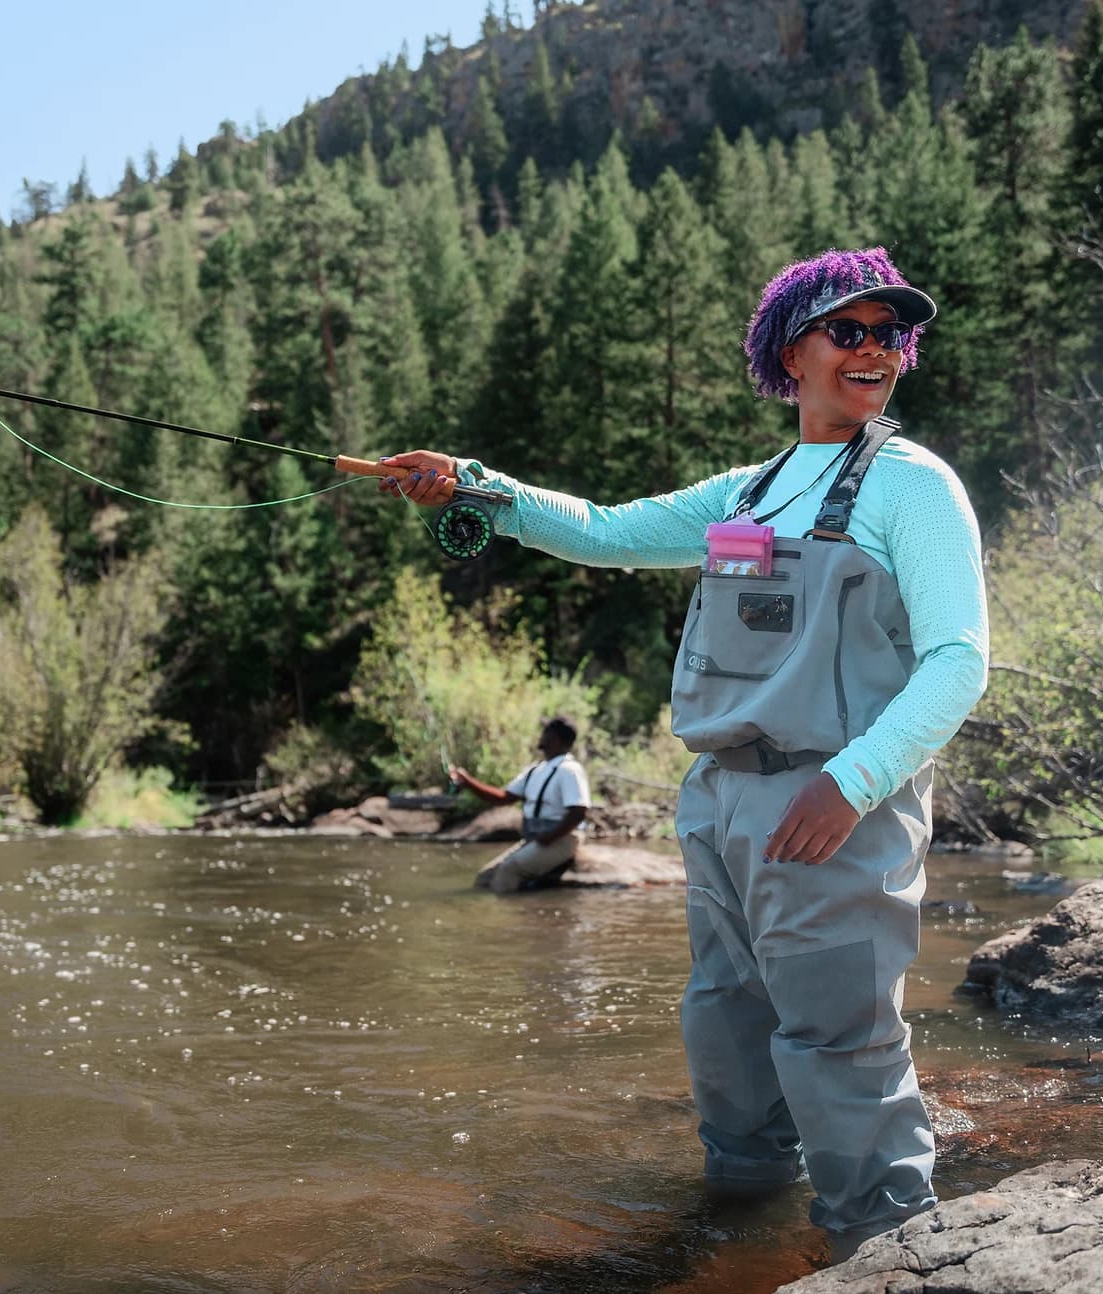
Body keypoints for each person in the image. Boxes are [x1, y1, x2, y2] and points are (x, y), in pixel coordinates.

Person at [378, 248, 988, 1260]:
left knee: (840, 1045)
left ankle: (886, 1255)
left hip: (836, 805)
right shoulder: (747, 494)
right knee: (725, 1030)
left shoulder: (912, 489)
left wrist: (851, 783)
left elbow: (958, 661)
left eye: (890, 334)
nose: (875, 350)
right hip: (717, 807)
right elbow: (605, 531)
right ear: (791, 349)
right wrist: (471, 486)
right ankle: (740, 1235)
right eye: (850, 329)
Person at [450, 716, 591, 894]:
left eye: (545, 732)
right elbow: (503, 798)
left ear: (554, 738)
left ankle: (511, 918)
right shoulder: (536, 769)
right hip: (536, 839)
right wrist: (467, 782)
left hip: (561, 840)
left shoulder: (570, 770)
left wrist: (550, 837)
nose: (541, 736)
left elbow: (578, 812)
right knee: (485, 878)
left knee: (509, 871)